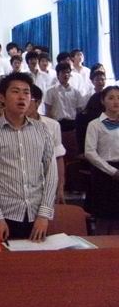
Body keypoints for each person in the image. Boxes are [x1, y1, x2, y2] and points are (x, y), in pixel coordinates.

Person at [0, 73, 58, 241]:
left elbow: (51, 173)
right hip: (4, 215)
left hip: (36, 215)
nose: (22, 97)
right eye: (15, 91)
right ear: (2, 97)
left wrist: (44, 215)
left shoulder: (42, 129)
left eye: (26, 92)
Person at [84, 86, 119, 220]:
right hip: (104, 172)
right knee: (103, 217)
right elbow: (90, 152)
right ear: (103, 101)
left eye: (118, 98)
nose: (116, 101)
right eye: (111, 98)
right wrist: (112, 171)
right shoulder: (95, 124)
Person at [27, 85, 66, 204]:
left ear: (38, 102)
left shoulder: (52, 125)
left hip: (45, 184)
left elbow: (58, 158)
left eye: (28, 99)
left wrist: (60, 187)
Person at [44, 62, 83, 132]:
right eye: (63, 72)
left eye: (68, 72)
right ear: (57, 75)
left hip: (72, 124)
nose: (66, 75)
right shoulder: (50, 91)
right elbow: (48, 111)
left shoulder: (76, 92)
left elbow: (79, 111)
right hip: (57, 124)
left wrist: (78, 126)